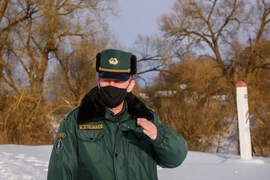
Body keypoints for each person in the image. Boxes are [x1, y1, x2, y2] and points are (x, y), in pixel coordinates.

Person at [47, 49, 188, 180]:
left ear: (130, 85)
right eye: (107, 79)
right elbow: (60, 171)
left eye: (119, 81)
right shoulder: (77, 120)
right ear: (98, 81)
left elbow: (175, 159)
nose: (112, 85)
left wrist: (159, 137)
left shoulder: (146, 117)